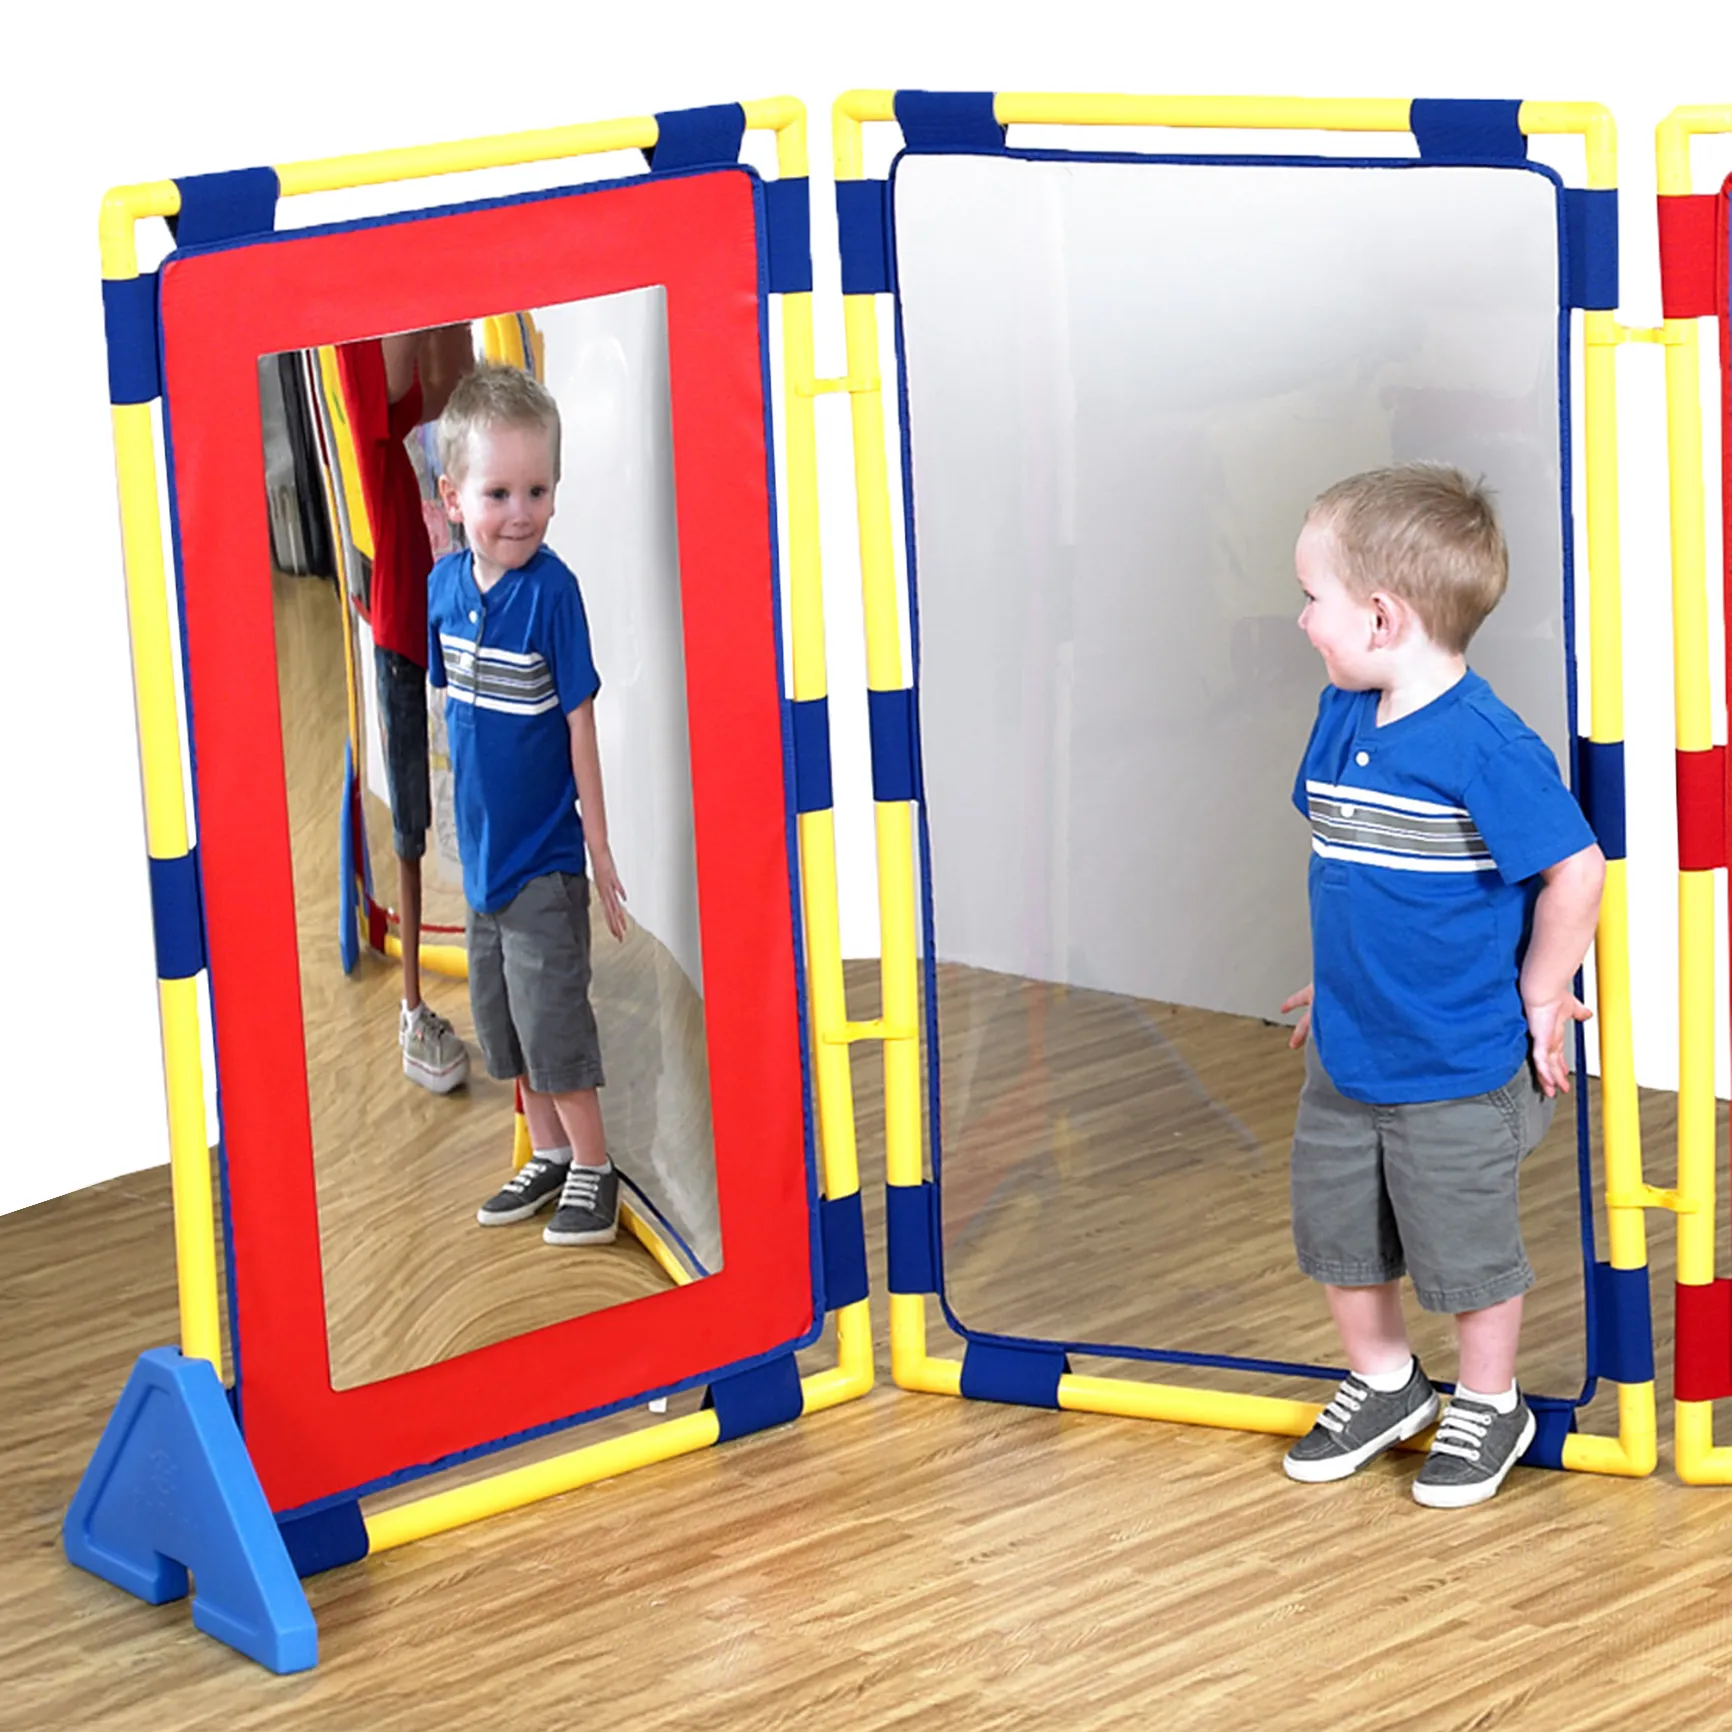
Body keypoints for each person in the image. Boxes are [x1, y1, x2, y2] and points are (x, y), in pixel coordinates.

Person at [1278, 463, 1605, 1509]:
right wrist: (1336, 978)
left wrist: (1543, 991)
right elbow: (1354, 871)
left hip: (1456, 1061)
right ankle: (1386, 1382)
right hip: (1349, 1048)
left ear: (1382, 617)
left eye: (1313, 599)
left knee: (1464, 1245)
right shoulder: (1344, 715)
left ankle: (1490, 1400)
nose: (1301, 620)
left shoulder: (1485, 748)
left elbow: (1576, 870)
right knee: (1338, 1228)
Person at [425, 364, 630, 1245]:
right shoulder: (442, 591)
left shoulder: (553, 594)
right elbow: (454, 723)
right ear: (453, 498)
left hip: (543, 860)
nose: (521, 513)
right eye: (498, 493)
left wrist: (600, 848)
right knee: (503, 1020)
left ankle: (594, 1165)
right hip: (483, 863)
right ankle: (547, 1154)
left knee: (553, 1020)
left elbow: (579, 724)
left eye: (537, 491)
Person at [336, 326, 476, 1093]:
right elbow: (399, 387)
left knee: (474, 792)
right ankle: (413, 1008)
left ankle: (494, 955)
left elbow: (459, 390)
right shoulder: (360, 349)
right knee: (412, 827)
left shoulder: (408, 352)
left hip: (461, 597)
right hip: (405, 618)